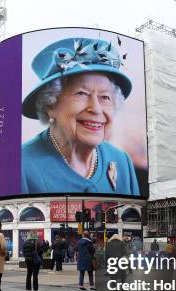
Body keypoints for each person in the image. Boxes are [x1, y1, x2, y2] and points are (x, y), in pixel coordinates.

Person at [21, 37, 140, 195]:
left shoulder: (122, 162)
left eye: (105, 97)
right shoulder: (21, 166)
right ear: (50, 104)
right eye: (82, 93)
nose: (96, 109)